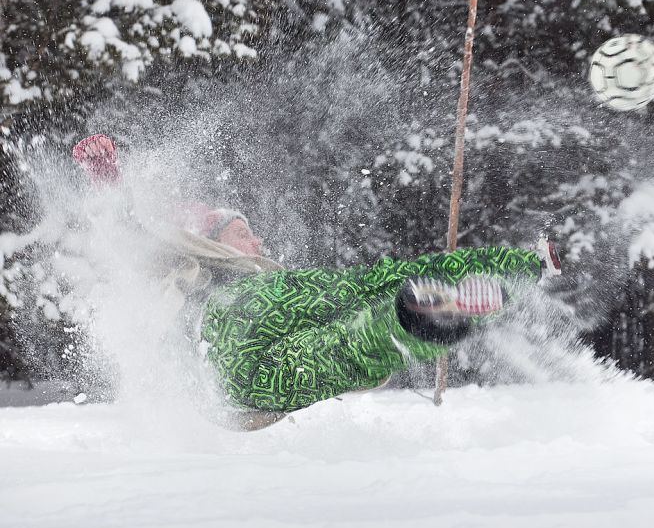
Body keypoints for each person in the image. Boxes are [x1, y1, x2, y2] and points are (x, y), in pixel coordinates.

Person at [72, 134, 561, 421]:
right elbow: (126, 233)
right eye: (244, 233)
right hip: (227, 326)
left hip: (237, 380)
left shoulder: (263, 275)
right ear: (217, 238)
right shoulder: (192, 258)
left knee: (339, 348)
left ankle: (415, 319)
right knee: (366, 301)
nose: (257, 243)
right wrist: (105, 174)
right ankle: (415, 316)